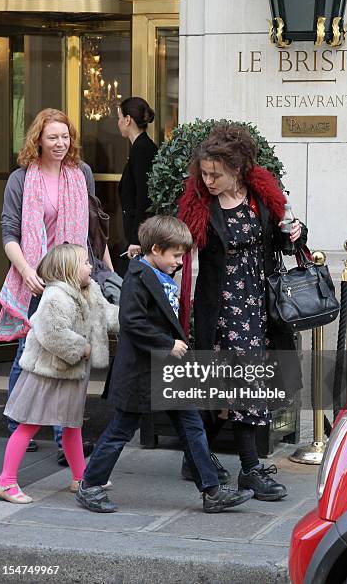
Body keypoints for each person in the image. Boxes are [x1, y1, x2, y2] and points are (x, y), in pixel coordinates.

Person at [75, 215, 254, 514]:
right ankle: (90, 485)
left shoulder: (153, 272)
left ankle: (211, 491)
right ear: (156, 249)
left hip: (166, 371)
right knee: (121, 429)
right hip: (141, 373)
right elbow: (130, 322)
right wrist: (167, 344)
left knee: (192, 426)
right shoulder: (137, 278)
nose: (180, 262)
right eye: (176, 255)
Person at [178, 124, 308, 501]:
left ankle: (195, 455)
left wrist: (294, 232)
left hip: (259, 303)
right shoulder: (199, 204)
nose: (208, 180)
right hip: (221, 308)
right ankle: (250, 469)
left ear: (237, 168)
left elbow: (280, 239)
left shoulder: (261, 197)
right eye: (203, 173)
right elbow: (180, 243)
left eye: (215, 174)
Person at [0, 108, 112, 456]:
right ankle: (18, 426)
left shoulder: (82, 174)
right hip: (34, 279)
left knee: (70, 352)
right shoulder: (21, 179)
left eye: (65, 137)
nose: (61, 144)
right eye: (53, 138)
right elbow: (9, 232)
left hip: (72, 277)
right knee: (26, 352)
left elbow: (91, 228)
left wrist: (106, 268)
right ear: (38, 141)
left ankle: (66, 438)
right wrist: (27, 270)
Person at [0, 244, 119, 504]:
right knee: (29, 423)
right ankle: (6, 482)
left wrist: (134, 315)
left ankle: (80, 477)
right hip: (45, 374)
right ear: (69, 270)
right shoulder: (55, 297)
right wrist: (82, 348)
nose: (90, 266)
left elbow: (107, 315)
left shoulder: (89, 291)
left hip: (71, 375)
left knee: (72, 424)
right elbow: (52, 333)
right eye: (85, 262)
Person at [117, 96, 158, 260]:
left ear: (127, 120)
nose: (118, 123)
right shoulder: (140, 147)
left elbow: (144, 196)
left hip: (141, 239)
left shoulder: (142, 149)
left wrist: (137, 239)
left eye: (119, 118)